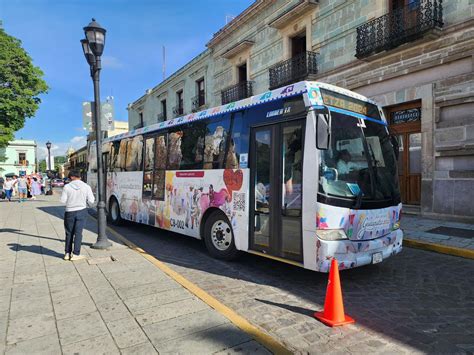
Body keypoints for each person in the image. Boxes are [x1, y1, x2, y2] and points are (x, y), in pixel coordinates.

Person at [60, 169, 95, 261]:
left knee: (68, 233)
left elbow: (63, 200)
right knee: (78, 233)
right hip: (82, 211)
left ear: (71, 177)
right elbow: (91, 200)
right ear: (80, 176)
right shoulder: (86, 186)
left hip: (69, 212)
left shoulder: (67, 187)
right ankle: (76, 254)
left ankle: (67, 253)